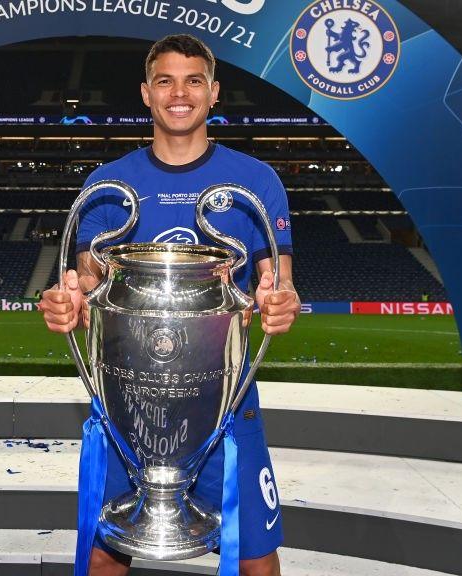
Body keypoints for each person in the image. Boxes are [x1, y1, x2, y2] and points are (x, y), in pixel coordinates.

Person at [38, 34, 300, 576]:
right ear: (146, 93)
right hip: (127, 406)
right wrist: (68, 300)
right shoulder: (108, 186)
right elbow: (85, 284)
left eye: (193, 81)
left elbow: (277, 283)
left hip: (223, 402)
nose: (179, 93)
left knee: (256, 561)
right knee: (103, 556)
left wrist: (280, 302)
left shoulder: (256, 181)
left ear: (214, 92)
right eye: (165, 81)